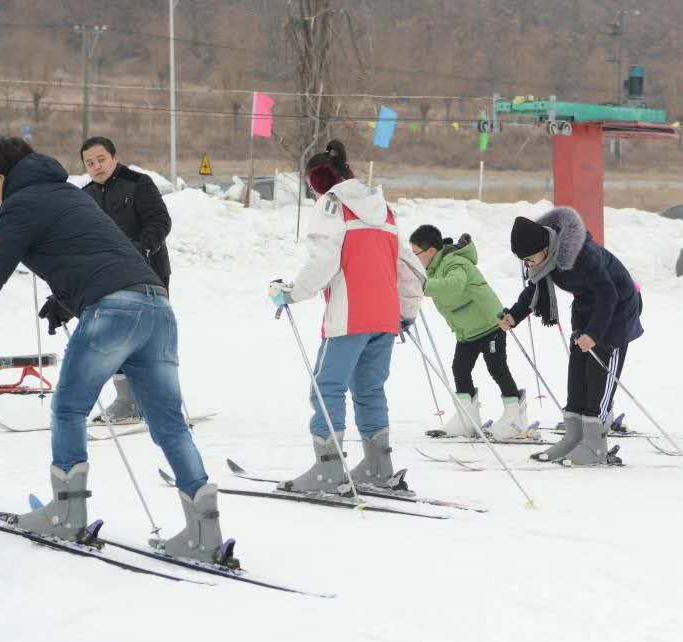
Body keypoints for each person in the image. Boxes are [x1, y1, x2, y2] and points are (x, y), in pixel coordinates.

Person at [0, 137, 230, 564]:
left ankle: (67, 511)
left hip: (113, 309)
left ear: (1, 177)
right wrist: (65, 301)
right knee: (170, 424)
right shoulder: (67, 193)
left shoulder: (20, 203)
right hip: (156, 305)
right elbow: (93, 249)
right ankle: (204, 532)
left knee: (68, 408)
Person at [267, 139, 424, 493]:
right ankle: (378, 466)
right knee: (369, 389)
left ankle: (329, 468)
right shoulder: (385, 210)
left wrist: (291, 292)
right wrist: (405, 312)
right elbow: (410, 268)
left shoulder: (332, 206)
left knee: (326, 387)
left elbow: (323, 262)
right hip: (385, 317)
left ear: (320, 182)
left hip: (350, 315)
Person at [499, 207, 643, 466]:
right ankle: (575, 437)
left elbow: (608, 294)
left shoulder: (582, 255)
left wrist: (595, 334)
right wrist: (514, 316)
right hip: (586, 308)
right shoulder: (545, 260)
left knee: (599, 371)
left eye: (530, 259)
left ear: (545, 248)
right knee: (577, 370)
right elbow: (533, 289)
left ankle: (596, 445)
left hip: (618, 309)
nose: (529, 265)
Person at [81, 136, 174, 423]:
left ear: (114, 157)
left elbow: (160, 222)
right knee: (114, 336)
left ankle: (158, 399)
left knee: (148, 337)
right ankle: (126, 400)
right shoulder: (85, 196)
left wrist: (139, 250)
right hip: (109, 278)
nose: (96, 166)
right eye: (89, 163)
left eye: (101, 160)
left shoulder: (138, 183)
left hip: (149, 274)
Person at [410, 225, 529, 440]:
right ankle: (467, 418)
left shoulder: (454, 262)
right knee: (460, 368)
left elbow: (454, 285)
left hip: (490, 325)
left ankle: (515, 414)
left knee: (497, 367)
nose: (414, 258)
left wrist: (424, 285)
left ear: (429, 251)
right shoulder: (433, 269)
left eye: (415, 253)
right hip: (468, 331)